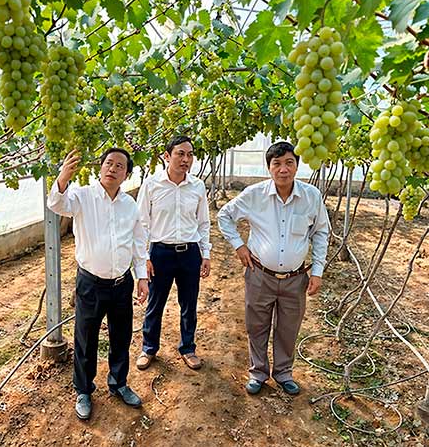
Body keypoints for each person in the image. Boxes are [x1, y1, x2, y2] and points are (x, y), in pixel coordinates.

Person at [217, 141, 329, 396]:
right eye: (277, 164)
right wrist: (239, 246)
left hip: (295, 277)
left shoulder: (311, 196)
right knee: (256, 325)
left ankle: (283, 373)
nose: (283, 169)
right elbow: (224, 216)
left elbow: (321, 232)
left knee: (289, 327)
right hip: (260, 275)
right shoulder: (255, 195)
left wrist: (318, 270)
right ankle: (258, 372)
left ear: (297, 166)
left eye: (289, 163)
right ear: (268, 167)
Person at [47, 148, 149, 420]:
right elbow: (56, 204)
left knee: (121, 336)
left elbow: (138, 243)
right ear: (100, 167)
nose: (112, 168)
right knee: (86, 338)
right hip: (91, 283)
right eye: (108, 163)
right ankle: (83, 390)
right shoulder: (82, 195)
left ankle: (119, 383)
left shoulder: (130, 205)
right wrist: (63, 178)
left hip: (121, 284)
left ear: (126, 174)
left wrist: (142, 276)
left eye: (119, 166)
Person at [135, 134, 211, 371]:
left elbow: (203, 223)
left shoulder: (197, 186)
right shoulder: (151, 185)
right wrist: (144, 257)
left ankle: (188, 348)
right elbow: (142, 223)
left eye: (189, 155)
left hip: (190, 253)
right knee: (155, 303)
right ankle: (149, 348)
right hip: (160, 254)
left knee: (189, 303)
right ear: (167, 156)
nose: (185, 159)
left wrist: (205, 253)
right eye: (180, 153)